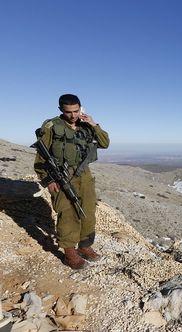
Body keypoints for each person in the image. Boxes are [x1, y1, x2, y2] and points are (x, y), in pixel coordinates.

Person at [34, 94, 110, 269]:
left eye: (76, 111)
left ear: (80, 108)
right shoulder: (52, 126)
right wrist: (48, 180)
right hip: (61, 176)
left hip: (84, 175)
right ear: (61, 110)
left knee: (88, 211)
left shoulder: (85, 126)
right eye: (68, 112)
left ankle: (85, 247)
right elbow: (41, 155)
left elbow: (105, 143)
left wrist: (93, 124)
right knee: (67, 213)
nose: (73, 115)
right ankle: (69, 253)